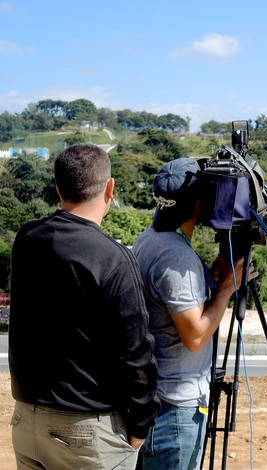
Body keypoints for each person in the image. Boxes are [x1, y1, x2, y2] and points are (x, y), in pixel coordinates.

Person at [8, 143, 160, 469]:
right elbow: (135, 351)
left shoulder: (27, 239)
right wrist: (141, 424)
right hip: (86, 428)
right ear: (109, 188)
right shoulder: (113, 257)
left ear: (58, 188)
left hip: (27, 419)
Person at [132, 158, 252, 469]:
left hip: (155, 401)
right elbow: (196, 336)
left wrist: (207, 283)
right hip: (174, 410)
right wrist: (227, 288)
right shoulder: (176, 257)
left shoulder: (150, 240)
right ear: (199, 203)